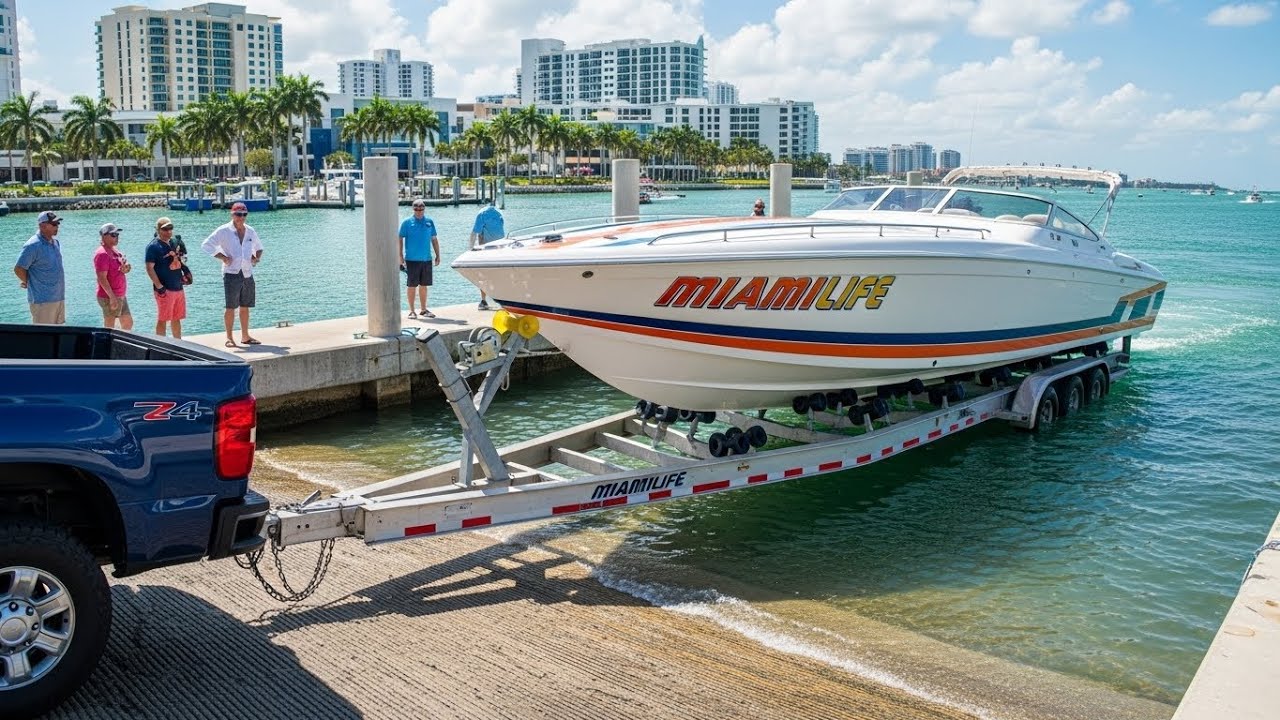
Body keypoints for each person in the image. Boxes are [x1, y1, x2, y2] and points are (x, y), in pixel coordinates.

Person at [202, 201, 264, 347]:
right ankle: (229, 338)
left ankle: (245, 336)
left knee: (245, 306)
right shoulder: (223, 231)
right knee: (230, 307)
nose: (241, 217)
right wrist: (222, 257)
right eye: (238, 214)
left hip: (247, 272)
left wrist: (257, 257)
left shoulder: (250, 231)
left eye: (244, 214)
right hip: (231, 273)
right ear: (232, 214)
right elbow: (206, 244)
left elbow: (259, 247)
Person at [14, 211, 66, 324]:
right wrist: (28, 282)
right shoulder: (32, 245)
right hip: (42, 300)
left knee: (58, 334)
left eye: (58, 223)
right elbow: (19, 268)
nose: (57, 226)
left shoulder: (55, 243)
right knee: (44, 337)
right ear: (42, 226)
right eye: (54, 224)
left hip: (58, 297)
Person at [146, 217, 188, 338]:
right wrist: (159, 286)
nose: (168, 231)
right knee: (163, 318)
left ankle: (178, 343)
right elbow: (149, 268)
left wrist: (185, 274)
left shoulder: (174, 243)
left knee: (177, 318)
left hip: (178, 286)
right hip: (164, 289)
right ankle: (161, 344)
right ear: (158, 230)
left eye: (170, 228)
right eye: (165, 229)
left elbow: (181, 260)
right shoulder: (153, 246)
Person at [399, 198, 440, 319]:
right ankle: (412, 311)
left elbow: (434, 239)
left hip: (426, 259)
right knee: (411, 285)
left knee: (424, 285)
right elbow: (400, 239)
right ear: (413, 209)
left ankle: (423, 309)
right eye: (416, 209)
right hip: (411, 259)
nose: (419, 211)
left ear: (424, 209)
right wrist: (400, 256)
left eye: (421, 209)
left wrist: (438, 255)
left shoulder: (429, 222)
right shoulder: (407, 222)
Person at [93, 222, 133, 330]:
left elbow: (118, 269)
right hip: (109, 296)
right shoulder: (102, 254)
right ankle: (107, 346)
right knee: (110, 326)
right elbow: (101, 278)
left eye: (117, 235)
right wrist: (112, 297)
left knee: (128, 322)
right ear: (104, 236)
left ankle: (122, 345)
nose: (117, 237)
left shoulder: (114, 251)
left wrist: (125, 269)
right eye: (113, 235)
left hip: (120, 295)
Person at [469, 200, 505, 310]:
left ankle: (484, 301)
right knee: (498, 275)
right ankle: (502, 300)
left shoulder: (481, 214)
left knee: (483, 276)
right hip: (500, 248)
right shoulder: (499, 214)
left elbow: (474, 233)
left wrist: (470, 249)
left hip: (486, 250)